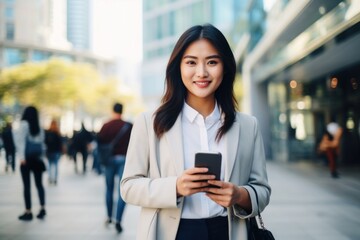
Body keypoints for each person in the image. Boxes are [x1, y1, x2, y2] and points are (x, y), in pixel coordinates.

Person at [120, 24, 271, 240]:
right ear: (178, 67)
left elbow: (262, 190)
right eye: (191, 62)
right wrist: (175, 187)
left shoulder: (248, 125)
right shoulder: (149, 123)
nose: (202, 72)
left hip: (228, 231)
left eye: (212, 62)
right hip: (173, 233)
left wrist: (239, 194)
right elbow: (128, 187)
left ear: (225, 67)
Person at [97, 103, 132, 233]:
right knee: (122, 190)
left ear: (112, 111)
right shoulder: (128, 126)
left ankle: (109, 217)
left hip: (109, 160)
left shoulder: (106, 126)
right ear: (122, 111)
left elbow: (99, 142)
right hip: (124, 159)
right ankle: (118, 220)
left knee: (109, 189)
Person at [14, 106, 46, 221]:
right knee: (39, 185)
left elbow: (20, 141)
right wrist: (41, 157)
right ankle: (42, 208)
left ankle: (28, 211)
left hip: (26, 160)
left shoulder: (23, 124)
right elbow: (42, 144)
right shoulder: (39, 126)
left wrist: (22, 157)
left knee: (27, 186)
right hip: (37, 159)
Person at [45, 119, 63, 185]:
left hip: (49, 151)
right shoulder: (57, 132)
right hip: (56, 151)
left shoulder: (48, 132)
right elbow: (60, 143)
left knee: (49, 165)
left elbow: (45, 142)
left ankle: (50, 178)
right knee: (56, 165)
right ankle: (55, 178)